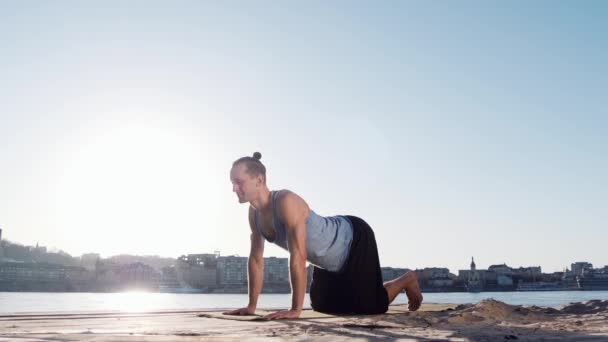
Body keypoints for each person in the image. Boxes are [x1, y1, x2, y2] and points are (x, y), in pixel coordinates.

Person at [223, 152, 423, 320]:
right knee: (323, 305)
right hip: (326, 261)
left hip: (352, 239)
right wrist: (251, 306)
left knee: (372, 305)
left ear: (259, 180)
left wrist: (295, 310)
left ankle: (407, 279)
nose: (234, 189)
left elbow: (298, 256)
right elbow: (256, 260)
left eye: (239, 182)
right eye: (232, 183)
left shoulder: (285, 201)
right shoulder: (254, 214)